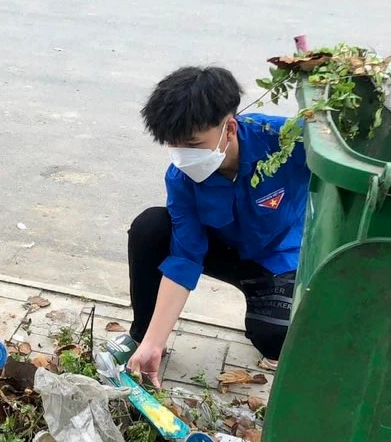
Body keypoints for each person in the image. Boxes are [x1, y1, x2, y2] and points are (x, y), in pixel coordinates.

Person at [126, 66, 309, 388]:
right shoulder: (182, 177)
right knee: (151, 227)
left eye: (194, 145)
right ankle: (141, 339)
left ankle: (269, 310)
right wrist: (154, 342)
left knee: (277, 339)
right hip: (222, 251)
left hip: (279, 257)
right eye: (175, 146)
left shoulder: (287, 142)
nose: (184, 157)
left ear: (230, 128)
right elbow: (185, 257)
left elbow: (346, 149)